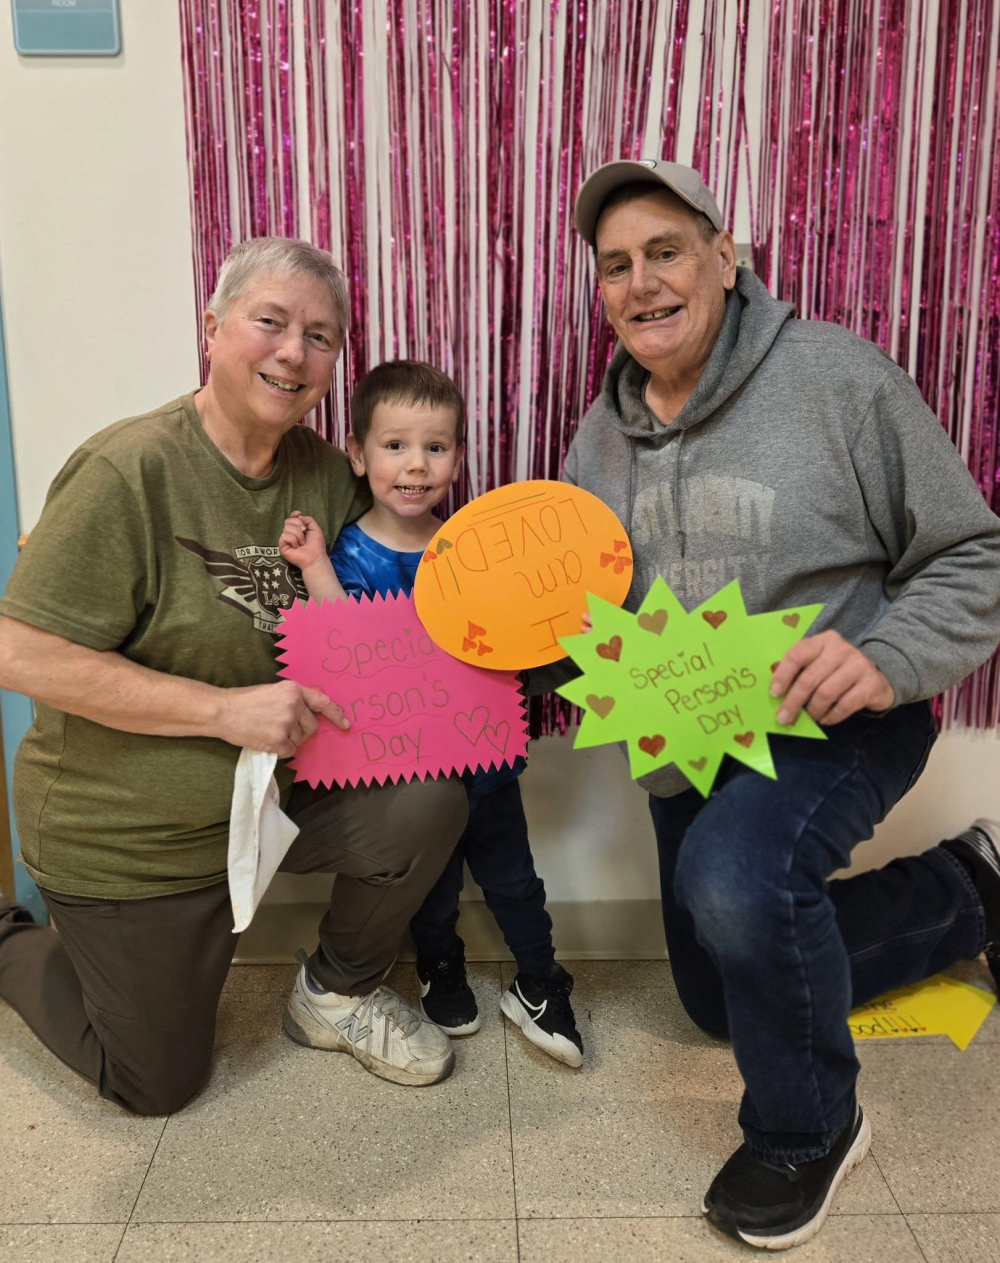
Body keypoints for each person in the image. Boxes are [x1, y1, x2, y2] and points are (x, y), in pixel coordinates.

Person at [533, 158, 1000, 1249]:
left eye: (665, 251)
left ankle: (809, 1129)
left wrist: (884, 657)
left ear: (725, 257)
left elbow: (972, 555)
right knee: (716, 993)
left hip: (839, 718)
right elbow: (589, 631)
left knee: (735, 882)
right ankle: (971, 888)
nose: (642, 282)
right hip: (689, 742)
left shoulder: (838, 378)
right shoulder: (594, 443)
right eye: (616, 265)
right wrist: (533, 649)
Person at [0, 238, 470, 1114]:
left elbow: (405, 598)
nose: (293, 352)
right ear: (211, 327)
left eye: (320, 337)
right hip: (136, 836)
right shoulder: (129, 468)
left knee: (429, 798)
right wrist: (222, 710)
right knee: (155, 1084)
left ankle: (334, 992)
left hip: (276, 803)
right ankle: (5, 938)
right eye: (271, 322)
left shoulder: (327, 474)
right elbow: (16, 652)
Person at [278, 359, 584, 1067]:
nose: (416, 464)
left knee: (515, 880)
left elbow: (513, 643)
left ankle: (542, 981)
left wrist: (564, 625)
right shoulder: (351, 552)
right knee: (432, 888)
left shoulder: (473, 553)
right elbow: (346, 650)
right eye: (395, 445)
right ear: (358, 454)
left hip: (489, 765)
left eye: (435, 447)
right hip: (410, 777)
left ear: (458, 456)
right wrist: (317, 567)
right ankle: (439, 965)